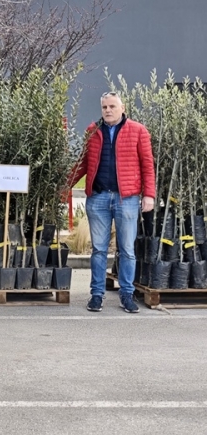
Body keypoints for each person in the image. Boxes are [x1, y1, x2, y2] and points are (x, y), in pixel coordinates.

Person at [69, 91, 155, 314]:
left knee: (127, 250)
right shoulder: (92, 130)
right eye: (104, 107)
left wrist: (149, 195)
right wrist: (66, 185)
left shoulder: (138, 131)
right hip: (98, 197)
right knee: (98, 249)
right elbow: (83, 163)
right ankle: (96, 295)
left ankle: (126, 294)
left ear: (122, 108)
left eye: (112, 106)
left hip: (126, 199)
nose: (107, 110)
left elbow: (147, 165)